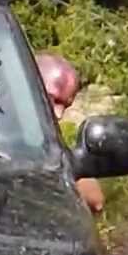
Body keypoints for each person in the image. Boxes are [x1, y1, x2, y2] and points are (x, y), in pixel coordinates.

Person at [36, 52, 105, 214]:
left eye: (65, 106)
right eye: (52, 99)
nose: (59, 114)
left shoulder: (46, 143)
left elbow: (95, 201)